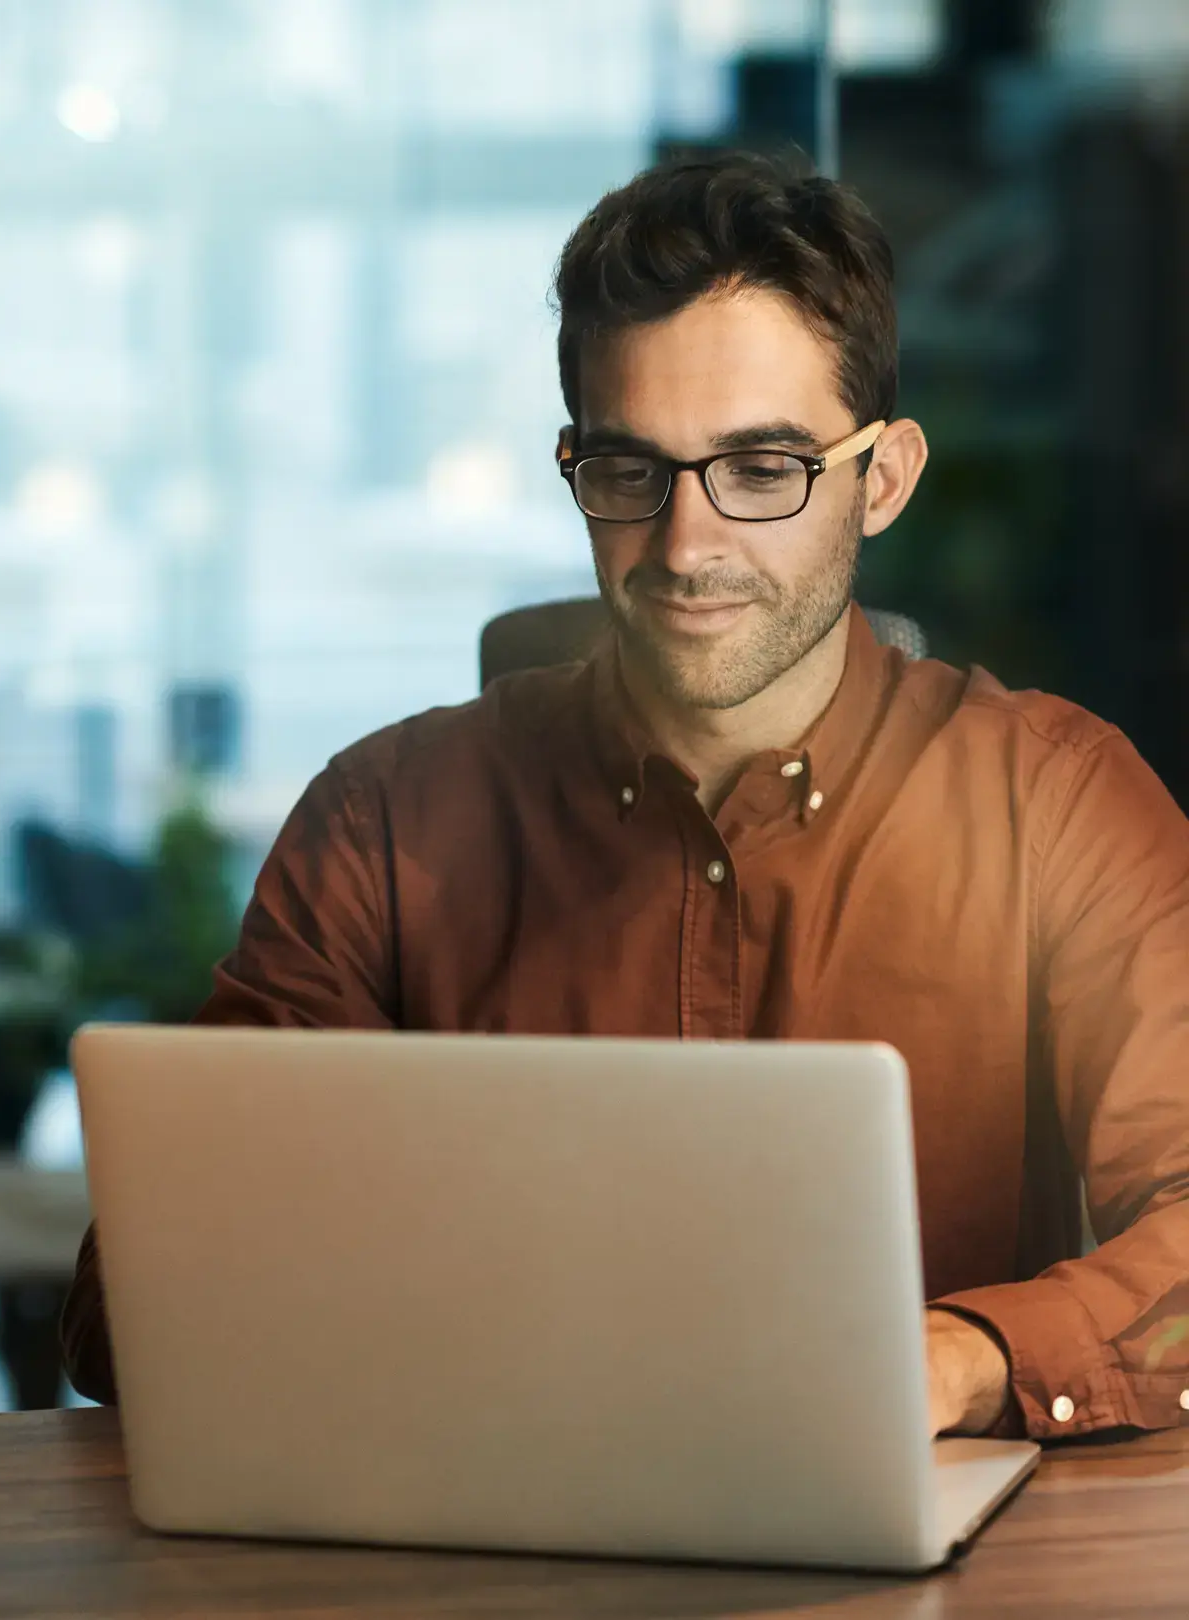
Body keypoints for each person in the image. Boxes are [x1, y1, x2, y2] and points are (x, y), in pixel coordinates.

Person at [60, 152, 1189, 1441]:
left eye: (764, 468)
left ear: (883, 478)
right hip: (479, 1522)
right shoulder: (385, 824)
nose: (688, 546)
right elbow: (135, 1300)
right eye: (629, 472)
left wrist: (957, 1360)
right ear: (575, 469)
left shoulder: (1057, 804)